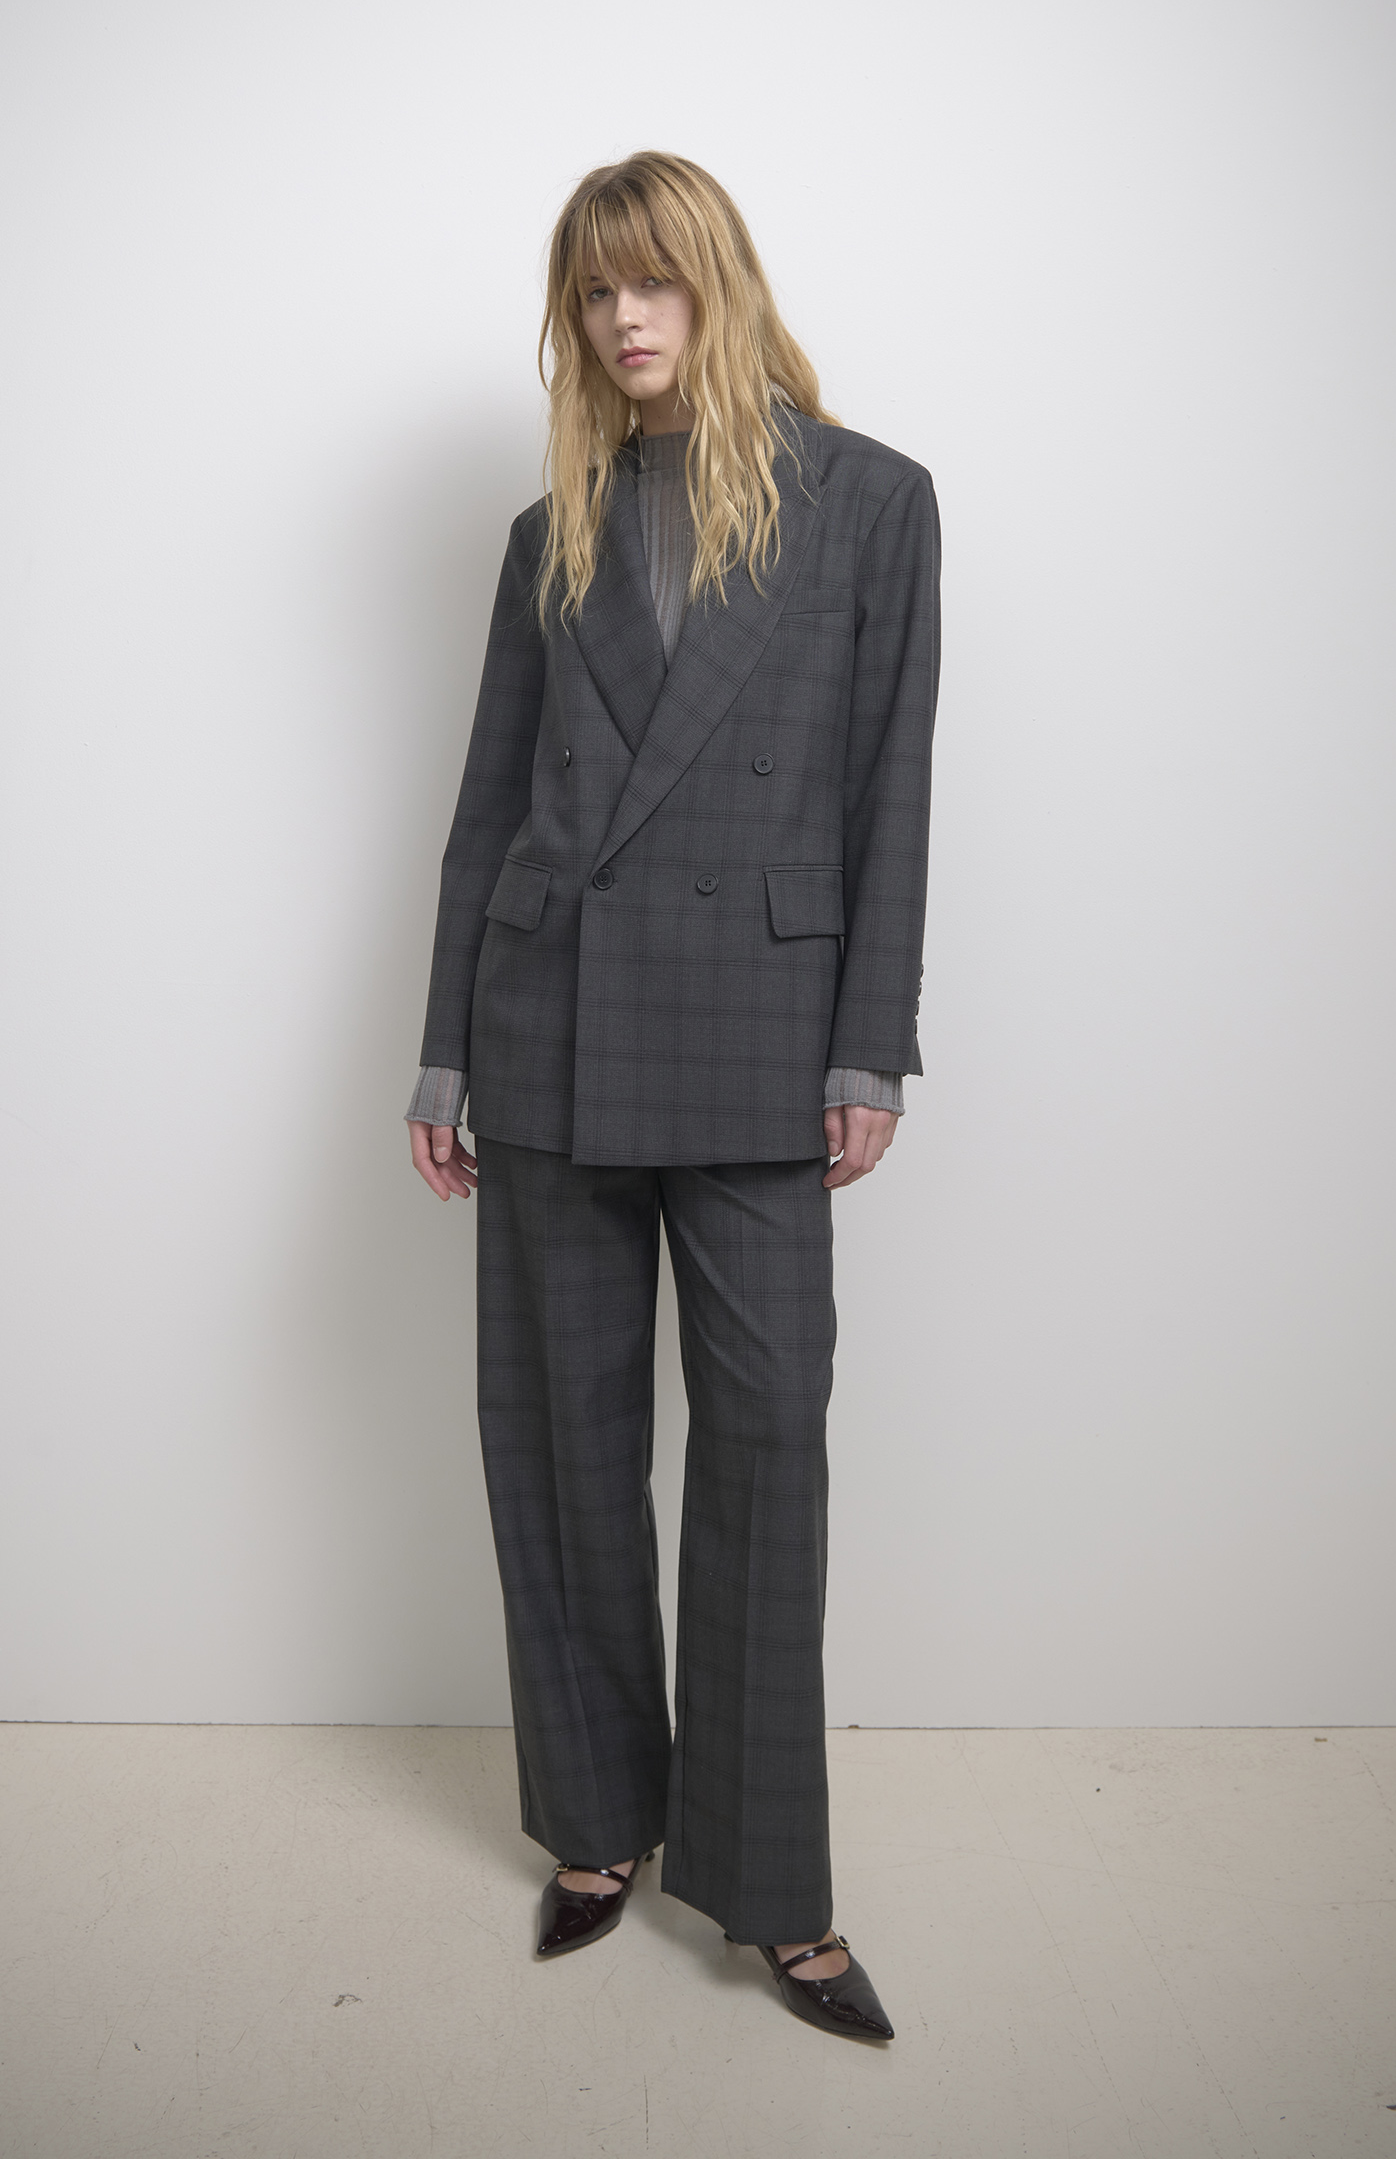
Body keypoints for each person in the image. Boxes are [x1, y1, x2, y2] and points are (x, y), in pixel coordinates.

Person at [405, 151, 939, 2042]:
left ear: (720, 282)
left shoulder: (869, 501)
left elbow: (889, 788)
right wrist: (446, 1045)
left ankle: (773, 1889)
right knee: (561, 1444)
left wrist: (868, 1040)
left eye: (654, 281)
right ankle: (596, 1820)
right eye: (592, 290)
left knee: (768, 1443)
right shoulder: (549, 524)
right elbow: (489, 800)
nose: (624, 319)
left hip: (760, 1035)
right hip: (549, 1024)